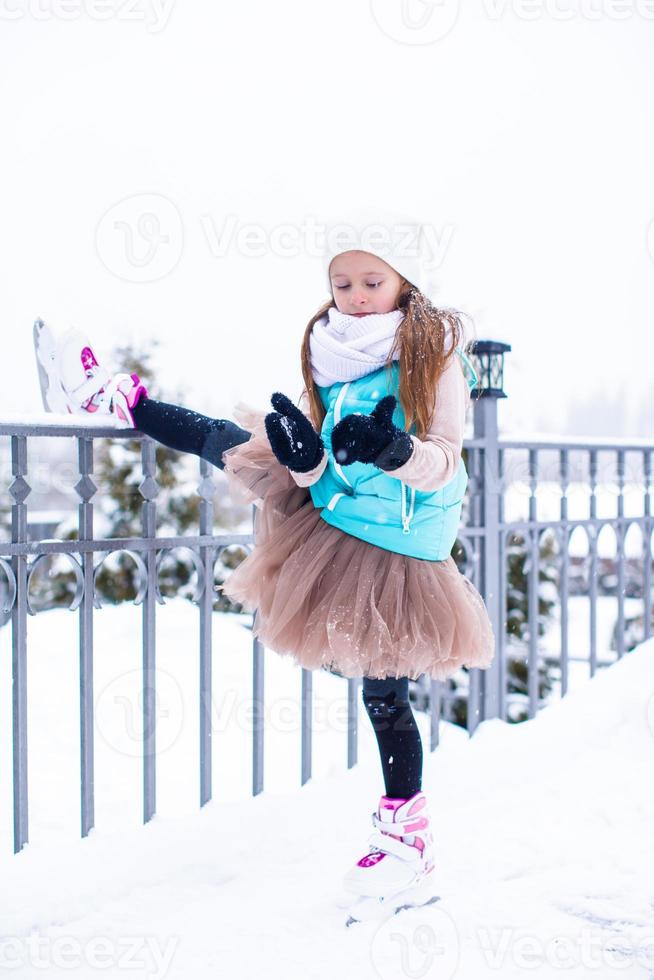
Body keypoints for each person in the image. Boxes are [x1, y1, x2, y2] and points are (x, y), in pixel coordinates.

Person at [36, 212, 495, 913]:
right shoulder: (330, 353)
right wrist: (307, 462)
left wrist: (391, 450)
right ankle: (116, 400)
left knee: (385, 694)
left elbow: (444, 461)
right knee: (240, 443)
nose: (357, 295)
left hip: (400, 545)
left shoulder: (437, 356)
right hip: (339, 511)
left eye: (373, 280)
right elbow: (321, 472)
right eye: (342, 283)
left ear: (405, 284)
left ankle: (408, 842)